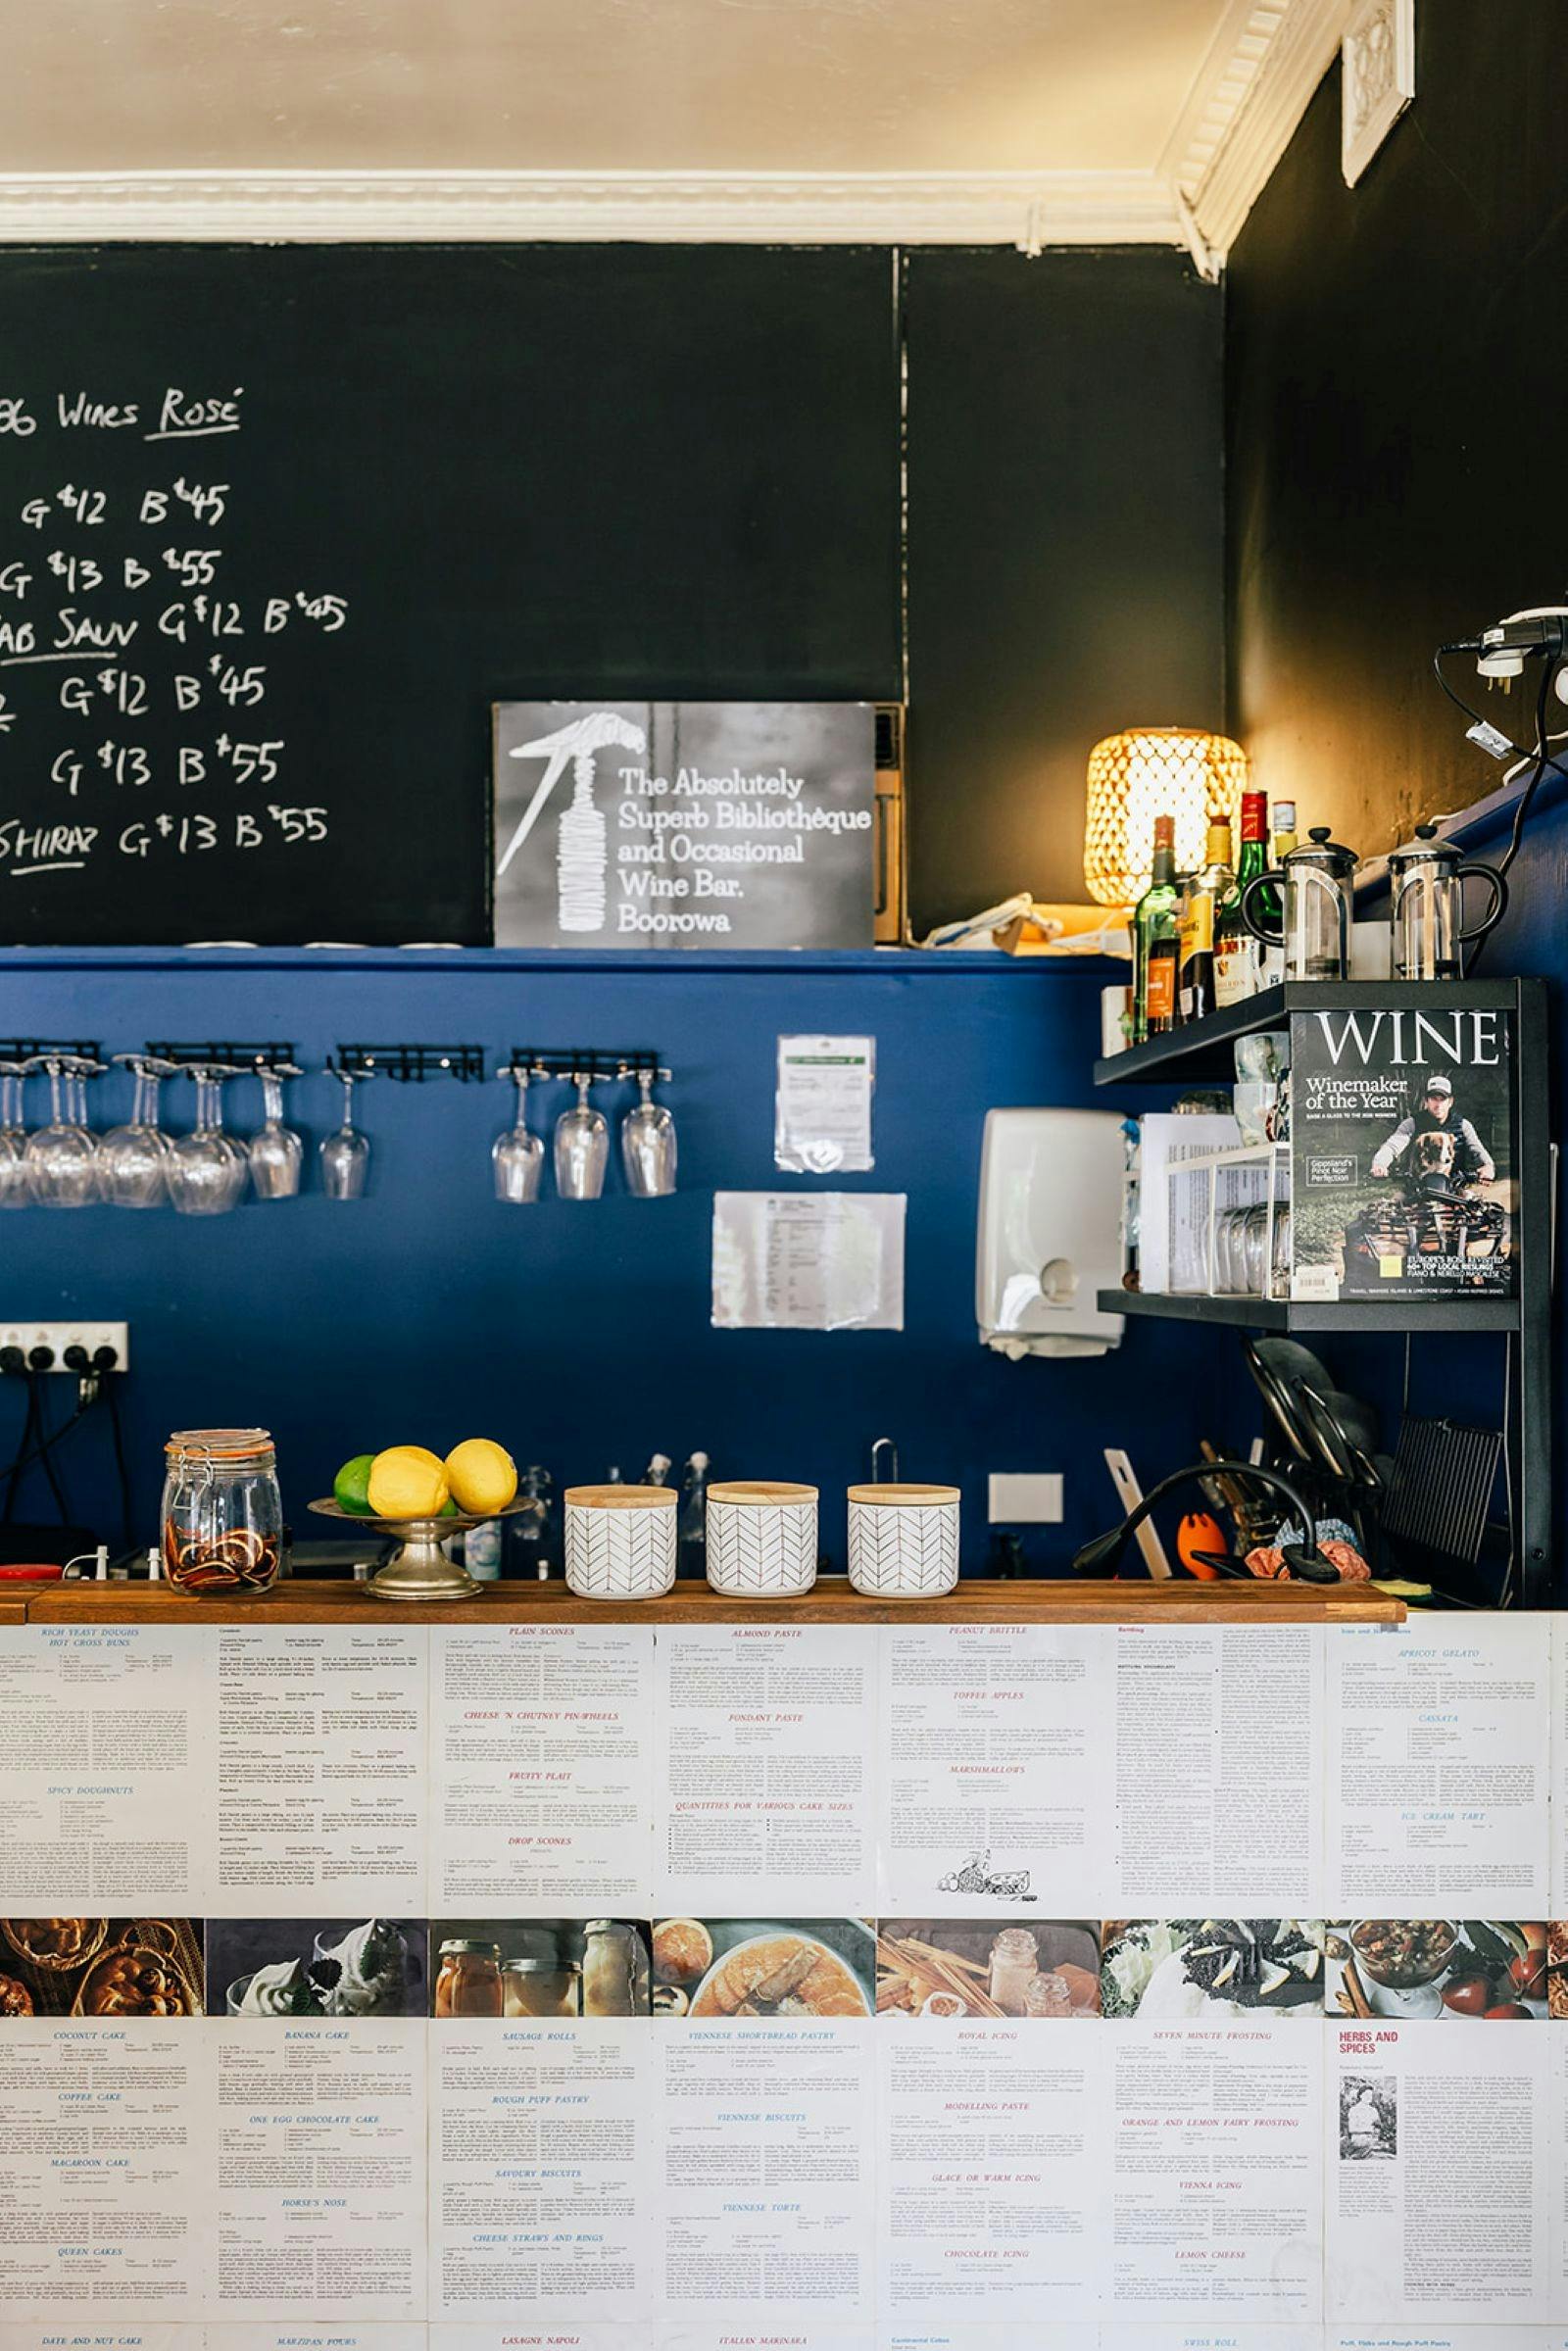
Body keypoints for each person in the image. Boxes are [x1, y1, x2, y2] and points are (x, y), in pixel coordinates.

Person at [1369, 1072, 1494, 1186]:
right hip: (1417, 1186)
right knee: (1394, 1203)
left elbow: (1477, 1149)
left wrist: (1488, 1167)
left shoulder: (1463, 1125)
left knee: (1476, 1203)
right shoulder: (1412, 1123)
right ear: (1426, 1101)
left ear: (1450, 1102)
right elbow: (1392, 1146)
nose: (1438, 1104)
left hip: (1455, 1188)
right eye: (1434, 1099)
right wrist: (1380, 1164)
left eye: (1442, 1099)